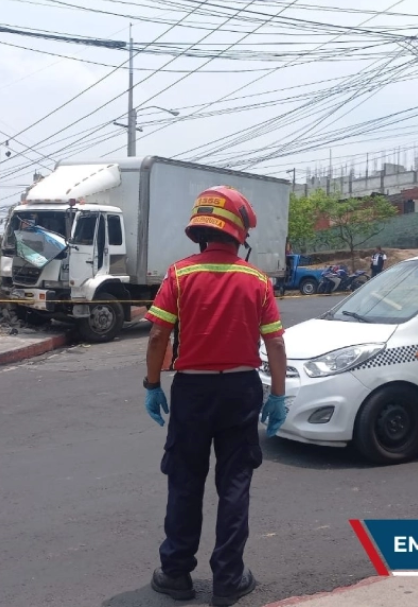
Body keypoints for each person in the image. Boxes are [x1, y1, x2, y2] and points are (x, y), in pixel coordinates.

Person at [142, 185, 288, 607]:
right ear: (240, 234)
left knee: (185, 480)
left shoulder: (180, 274)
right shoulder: (258, 281)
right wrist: (277, 395)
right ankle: (228, 579)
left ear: (201, 232)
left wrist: (153, 385)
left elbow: (157, 335)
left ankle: (175, 575)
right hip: (241, 391)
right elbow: (275, 345)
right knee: (235, 482)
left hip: (191, 390)